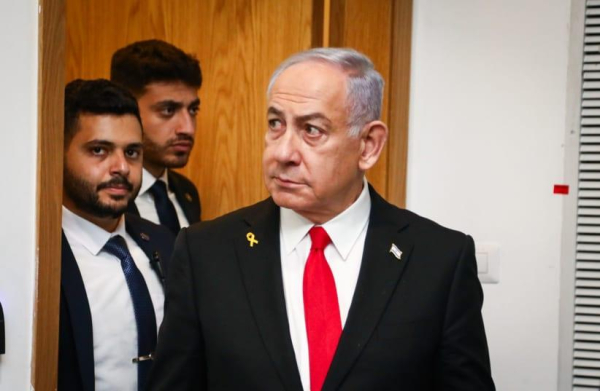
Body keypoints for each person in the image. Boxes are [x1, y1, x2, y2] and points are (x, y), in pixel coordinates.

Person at [148, 48, 495, 390]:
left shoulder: (440, 260)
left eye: (312, 130)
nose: (282, 153)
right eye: (275, 124)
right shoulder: (206, 253)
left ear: (368, 145)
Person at [58, 79, 175, 391]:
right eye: (99, 150)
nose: (121, 167)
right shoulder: (38, 257)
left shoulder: (166, 243)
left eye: (132, 152)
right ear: (58, 153)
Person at [111, 39, 203, 234]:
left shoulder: (187, 192)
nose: (187, 128)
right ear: (126, 109)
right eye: (168, 110)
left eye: (193, 110)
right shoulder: (106, 193)